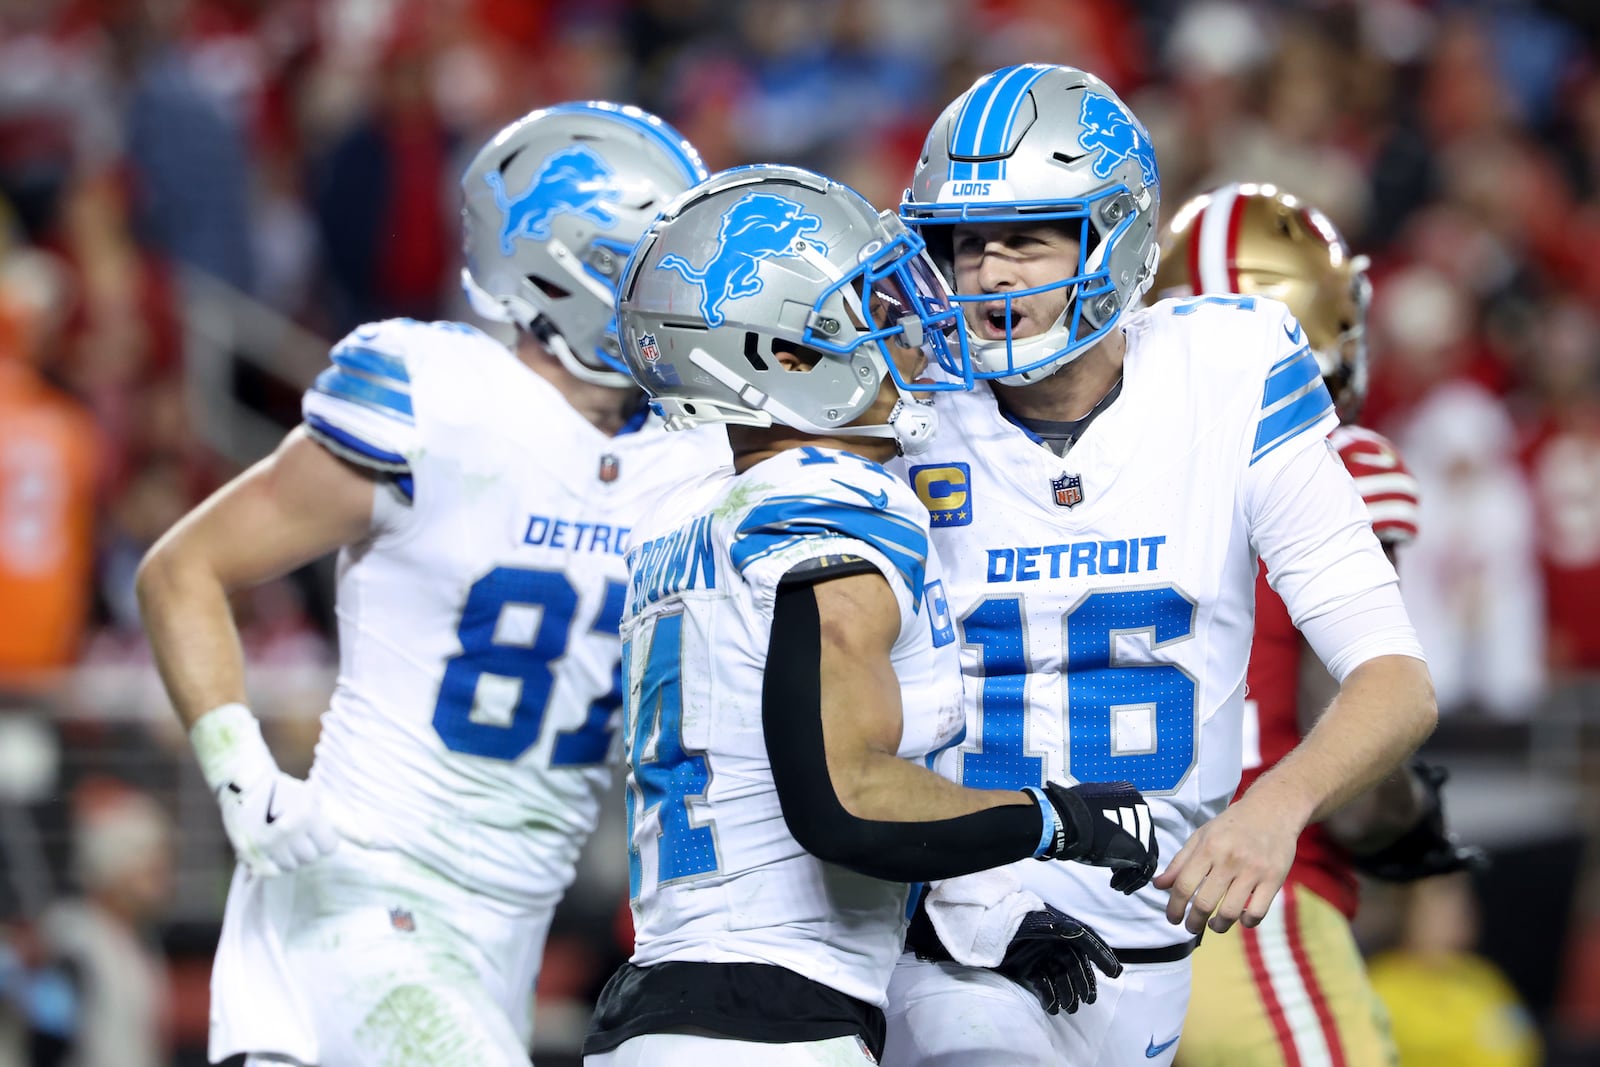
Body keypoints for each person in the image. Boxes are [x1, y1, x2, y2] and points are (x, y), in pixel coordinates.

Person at [136, 101, 729, 1066]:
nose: (686, 290)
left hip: (508, 920)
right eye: (654, 262)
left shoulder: (691, 454)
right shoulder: (439, 399)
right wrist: (240, 768)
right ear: (560, 263)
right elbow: (183, 568)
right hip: (360, 887)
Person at [879, 64, 1438, 1067]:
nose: (990, 273)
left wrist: (1277, 805)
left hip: (1158, 937)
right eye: (966, 244)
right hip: (954, 934)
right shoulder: (899, 422)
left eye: (1028, 235)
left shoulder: (1225, 374)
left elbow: (1394, 680)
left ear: (1115, 234)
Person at [582, 164, 1160, 1067]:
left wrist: (974, 920)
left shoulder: (689, 519)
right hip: (770, 1029)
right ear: (784, 355)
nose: (908, 324)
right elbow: (843, 799)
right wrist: (1056, 819)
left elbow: (765, 794)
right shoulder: (832, 500)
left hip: (670, 1011)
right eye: (868, 306)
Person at [1150, 182, 1485, 1067]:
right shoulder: (1333, 461)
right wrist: (1413, 819)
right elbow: (1364, 777)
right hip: (1249, 897)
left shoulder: (1108, 474)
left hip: (1084, 914)